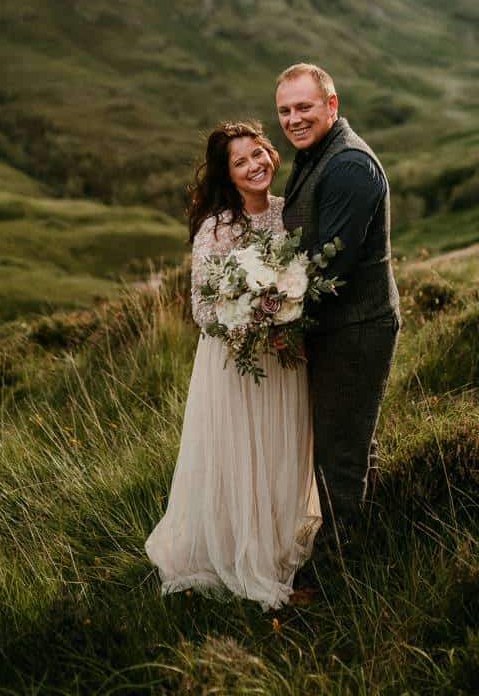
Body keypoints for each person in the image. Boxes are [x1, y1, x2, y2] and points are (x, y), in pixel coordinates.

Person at [145, 121, 320, 610]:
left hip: (284, 362)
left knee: (280, 454)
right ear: (228, 174)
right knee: (243, 459)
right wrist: (252, 320)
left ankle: (279, 548)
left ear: (270, 153)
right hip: (237, 365)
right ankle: (251, 567)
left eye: (258, 154)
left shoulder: (288, 213)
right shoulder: (217, 228)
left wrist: (285, 313)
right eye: (240, 162)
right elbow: (202, 310)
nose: (254, 165)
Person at [275, 62, 400, 546]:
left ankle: (338, 577)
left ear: (332, 104)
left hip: (355, 330)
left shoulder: (349, 166)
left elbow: (330, 271)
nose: (294, 119)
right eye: (284, 111)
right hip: (337, 328)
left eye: (303, 107)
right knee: (347, 445)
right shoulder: (316, 154)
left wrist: (277, 321)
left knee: (339, 457)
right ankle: (362, 546)